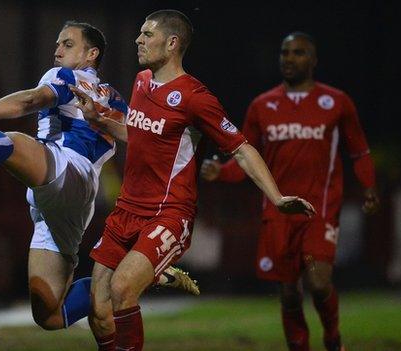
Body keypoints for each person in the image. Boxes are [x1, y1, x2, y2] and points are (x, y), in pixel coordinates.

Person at [70, 10, 315, 351]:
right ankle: (157, 276)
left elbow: (241, 149)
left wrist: (276, 197)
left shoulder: (195, 97)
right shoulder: (142, 81)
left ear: (171, 43)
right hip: (127, 209)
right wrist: (98, 119)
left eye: (147, 34)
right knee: (98, 308)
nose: (138, 39)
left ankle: (155, 271)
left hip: (169, 213)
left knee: (122, 290)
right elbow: (138, 134)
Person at [0, 21, 198, 332]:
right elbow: (142, 137)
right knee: (50, 315)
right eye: (58, 44)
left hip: (65, 169)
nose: (57, 50)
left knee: (8, 139)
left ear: (91, 54)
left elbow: (30, 101)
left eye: (67, 44)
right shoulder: (115, 98)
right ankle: (149, 273)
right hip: (71, 200)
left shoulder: (66, 77)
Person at [200, 32, 379, 351]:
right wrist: (221, 172)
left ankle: (333, 338)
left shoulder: (336, 102)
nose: (289, 59)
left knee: (319, 282)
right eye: (284, 53)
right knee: (289, 293)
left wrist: (368, 187)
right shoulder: (262, 105)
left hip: (319, 209)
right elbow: (247, 155)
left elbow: (359, 150)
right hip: (278, 210)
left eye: (298, 53)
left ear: (313, 60)